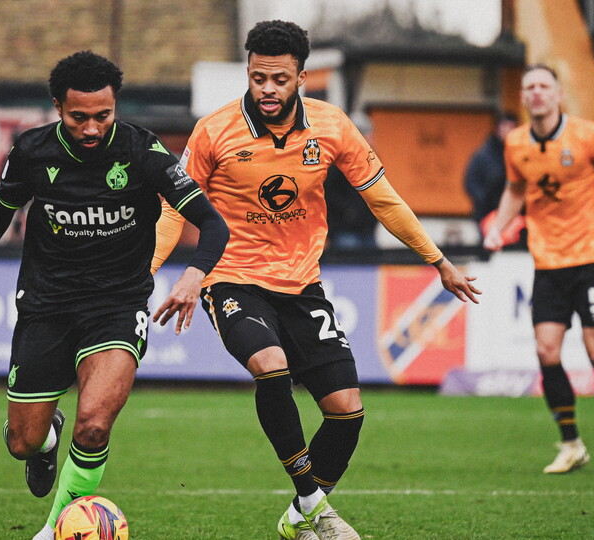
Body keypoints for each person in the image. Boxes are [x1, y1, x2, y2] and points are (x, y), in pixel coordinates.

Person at [153, 20, 480, 540]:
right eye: (259, 77)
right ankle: (313, 502)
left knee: (347, 413)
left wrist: (437, 260)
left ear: (302, 77)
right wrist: (150, 275)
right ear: (248, 72)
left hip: (302, 286)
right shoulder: (213, 131)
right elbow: (174, 210)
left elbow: (383, 198)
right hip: (232, 280)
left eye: (280, 79)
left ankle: (296, 517)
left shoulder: (331, 127)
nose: (267, 89)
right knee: (271, 364)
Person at [0, 51, 228, 540]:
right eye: (78, 117)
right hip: (46, 305)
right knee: (21, 443)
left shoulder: (143, 151)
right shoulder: (32, 151)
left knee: (93, 426)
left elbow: (213, 223)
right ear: (57, 107)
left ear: (116, 106)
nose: (92, 128)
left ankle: (53, 530)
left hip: (117, 304)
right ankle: (47, 439)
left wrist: (194, 274)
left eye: (103, 116)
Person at [483, 64, 594, 475]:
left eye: (543, 86)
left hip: (593, 257)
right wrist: (499, 227)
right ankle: (571, 443)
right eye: (528, 87)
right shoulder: (516, 143)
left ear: (558, 94)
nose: (535, 93)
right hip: (547, 261)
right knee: (546, 350)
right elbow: (516, 189)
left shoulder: (588, 136)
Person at [464, 112, 518, 228]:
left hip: (515, 217)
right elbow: (470, 182)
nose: (509, 132)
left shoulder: (519, 154)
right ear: (498, 129)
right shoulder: (483, 155)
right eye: (506, 127)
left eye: (512, 128)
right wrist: (485, 201)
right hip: (488, 215)